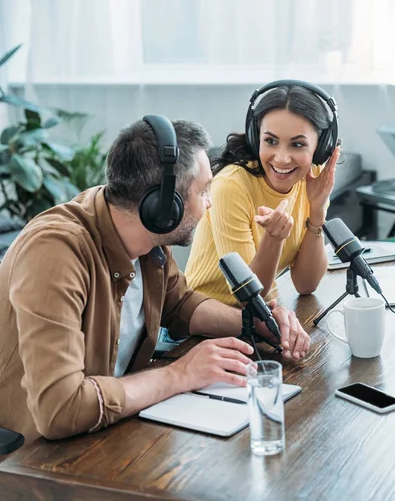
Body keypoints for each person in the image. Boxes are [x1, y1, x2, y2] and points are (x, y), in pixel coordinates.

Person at [0, 115, 309, 443]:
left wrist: (251, 322)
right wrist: (180, 374)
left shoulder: (143, 236)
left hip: (108, 429)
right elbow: (59, 409)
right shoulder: (55, 252)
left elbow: (181, 305)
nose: (209, 202)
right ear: (164, 207)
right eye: (203, 191)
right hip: (32, 458)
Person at [185, 80, 340, 313]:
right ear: (255, 137)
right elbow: (248, 295)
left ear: (320, 148)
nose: (281, 158)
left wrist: (317, 211)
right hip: (200, 320)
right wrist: (274, 239)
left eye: (297, 144)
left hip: (258, 317)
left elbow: (306, 284)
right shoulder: (230, 186)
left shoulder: (312, 180)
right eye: (271, 141)